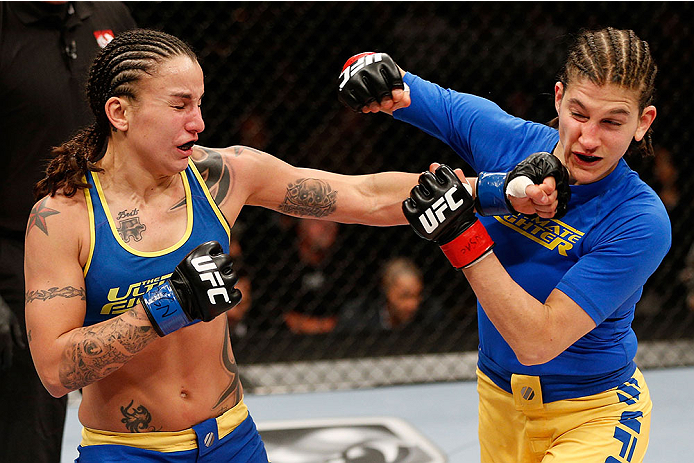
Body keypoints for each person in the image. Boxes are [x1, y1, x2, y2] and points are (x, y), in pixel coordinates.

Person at [24, 29, 559, 462]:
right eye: (181, 105)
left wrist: (497, 190)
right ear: (119, 113)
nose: (200, 122)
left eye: (201, 103)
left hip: (232, 441)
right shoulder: (62, 218)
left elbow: (364, 195)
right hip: (128, 451)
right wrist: (167, 308)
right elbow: (54, 372)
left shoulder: (220, 176)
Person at [338, 27, 670, 462]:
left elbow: (538, 341)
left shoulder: (639, 220)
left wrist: (459, 233)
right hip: (499, 403)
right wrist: (367, 67)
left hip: (593, 415)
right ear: (558, 98)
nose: (589, 138)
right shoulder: (509, 140)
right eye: (579, 113)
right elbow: (400, 86)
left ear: (643, 123)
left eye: (612, 121)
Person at [0, 2, 135, 461]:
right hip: (18, 246)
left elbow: (149, 111)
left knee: (142, 390)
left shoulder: (109, 13)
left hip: (117, 235)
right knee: (33, 411)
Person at [338, 257, 440, 332]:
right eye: (404, 296)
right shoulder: (358, 316)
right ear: (387, 290)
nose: (413, 305)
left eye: (417, 295)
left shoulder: (430, 316)